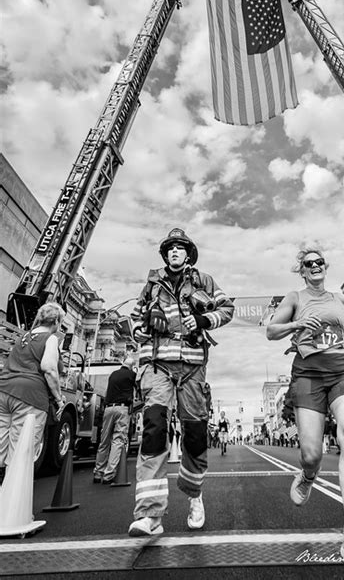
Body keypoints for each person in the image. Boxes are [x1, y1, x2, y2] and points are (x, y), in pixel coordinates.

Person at [266, 242, 344, 576]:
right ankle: (308, 474)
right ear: (303, 270)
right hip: (307, 374)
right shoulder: (294, 297)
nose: (315, 266)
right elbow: (270, 331)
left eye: (320, 262)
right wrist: (296, 326)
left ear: (325, 266)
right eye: (309, 263)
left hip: (342, 370)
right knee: (311, 454)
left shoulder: (340, 299)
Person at [128, 227, 234, 537]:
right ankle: (149, 515)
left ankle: (195, 495)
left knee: (196, 433)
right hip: (158, 365)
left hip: (191, 367)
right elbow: (134, 319)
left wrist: (203, 320)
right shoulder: (151, 286)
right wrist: (144, 327)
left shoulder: (204, 281)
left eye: (180, 247)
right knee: (154, 431)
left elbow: (227, 309)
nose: (175, 251)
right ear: (165, 254)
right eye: (170, 247)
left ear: (188, 253)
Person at [0, 302, 66, 479]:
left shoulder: (24, 337)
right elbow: (49, 368)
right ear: (57, 321)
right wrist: (59, 399)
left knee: (1, 448)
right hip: (30, 397)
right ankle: (12, 500)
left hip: (4, 391)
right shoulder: (50, 338)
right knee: (21, 451)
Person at [93, 356, 136, 484]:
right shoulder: (131, 375)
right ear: (132, 366)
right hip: (122, 409)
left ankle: (98, 472)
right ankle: (109, 474)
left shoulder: (113, 375)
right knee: (118, 440)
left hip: (108, 408)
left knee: (104, 441)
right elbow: (139, 389)